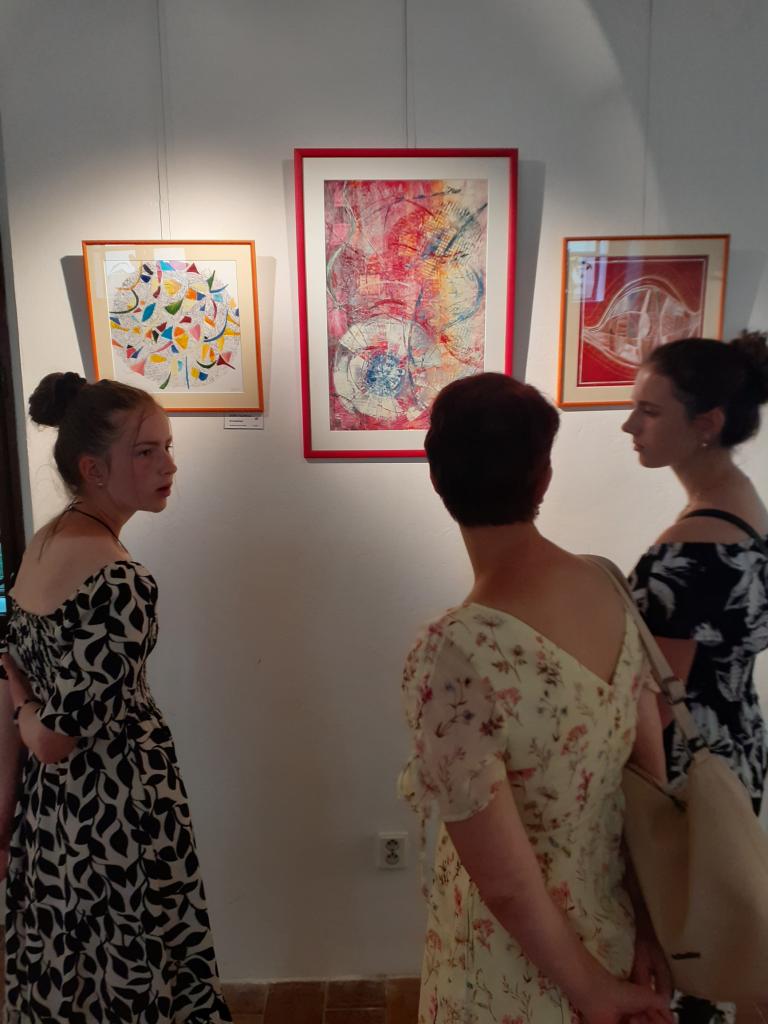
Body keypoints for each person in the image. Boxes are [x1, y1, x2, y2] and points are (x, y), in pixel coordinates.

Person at [398, 372, 673, 1024]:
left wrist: (590, 993)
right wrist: (647, 928)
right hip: (609, 929)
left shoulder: (452, 653)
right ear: (543, 477)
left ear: (436, 478)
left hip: (509, 972)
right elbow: (649, 778)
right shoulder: (605, 583)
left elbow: (506, 885)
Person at [0, 372, 232, 1023]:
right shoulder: (121, 581)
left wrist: (6, 820)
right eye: (146, 452)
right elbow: (51, 738)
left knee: (72, 975)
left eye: (167, 447)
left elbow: (14, 677)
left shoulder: (44, 543)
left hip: (51, 816)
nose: (169, 466)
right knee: (134, 973)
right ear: (92, 469)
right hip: (120, 812)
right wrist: (24, 705)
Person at [623, 333, 768, 1024]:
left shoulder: (691, 548)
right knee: (711, 933)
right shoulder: (744, 505)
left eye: (649, 411)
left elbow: (658, 703)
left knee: (679, 950)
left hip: (686, 769)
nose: (630, 425)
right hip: (736, 746)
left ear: (706, 423)